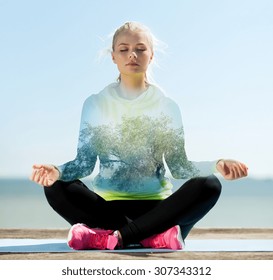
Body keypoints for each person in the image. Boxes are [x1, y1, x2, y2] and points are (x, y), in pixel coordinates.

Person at [30, 22, 248, 250]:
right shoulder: (95, 104)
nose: (132, 54)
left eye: (140, 49)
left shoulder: (166, 107)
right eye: (123, 49)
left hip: (160, 212)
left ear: (151, 55)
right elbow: (84, 164)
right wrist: (57, 171)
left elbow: (179, 167)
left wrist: (217, 165)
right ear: (113, 56)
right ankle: (149, 238)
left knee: (210, 184)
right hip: (106, 208)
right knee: (56, 186)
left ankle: (113, 237)